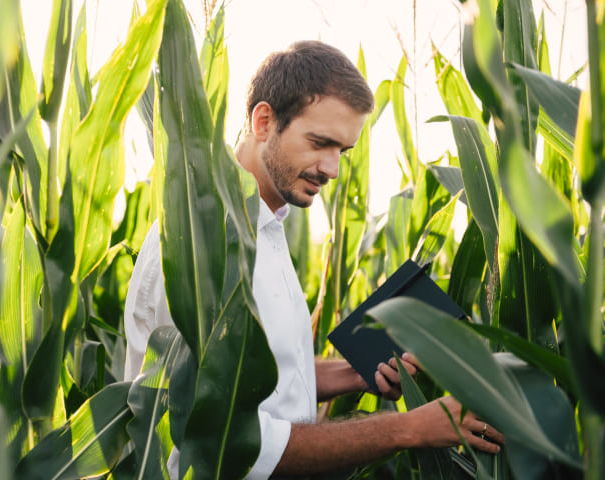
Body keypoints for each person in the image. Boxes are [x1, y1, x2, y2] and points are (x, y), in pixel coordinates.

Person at [123, 40, 503, 478]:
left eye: (342, 151)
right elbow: (223, 439)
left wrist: (354, 375)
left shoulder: (265, 227)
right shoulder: (203, 248)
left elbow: (258, 374)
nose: (333, 169)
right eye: (320, 142)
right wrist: (410, 428)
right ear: (264, 121)